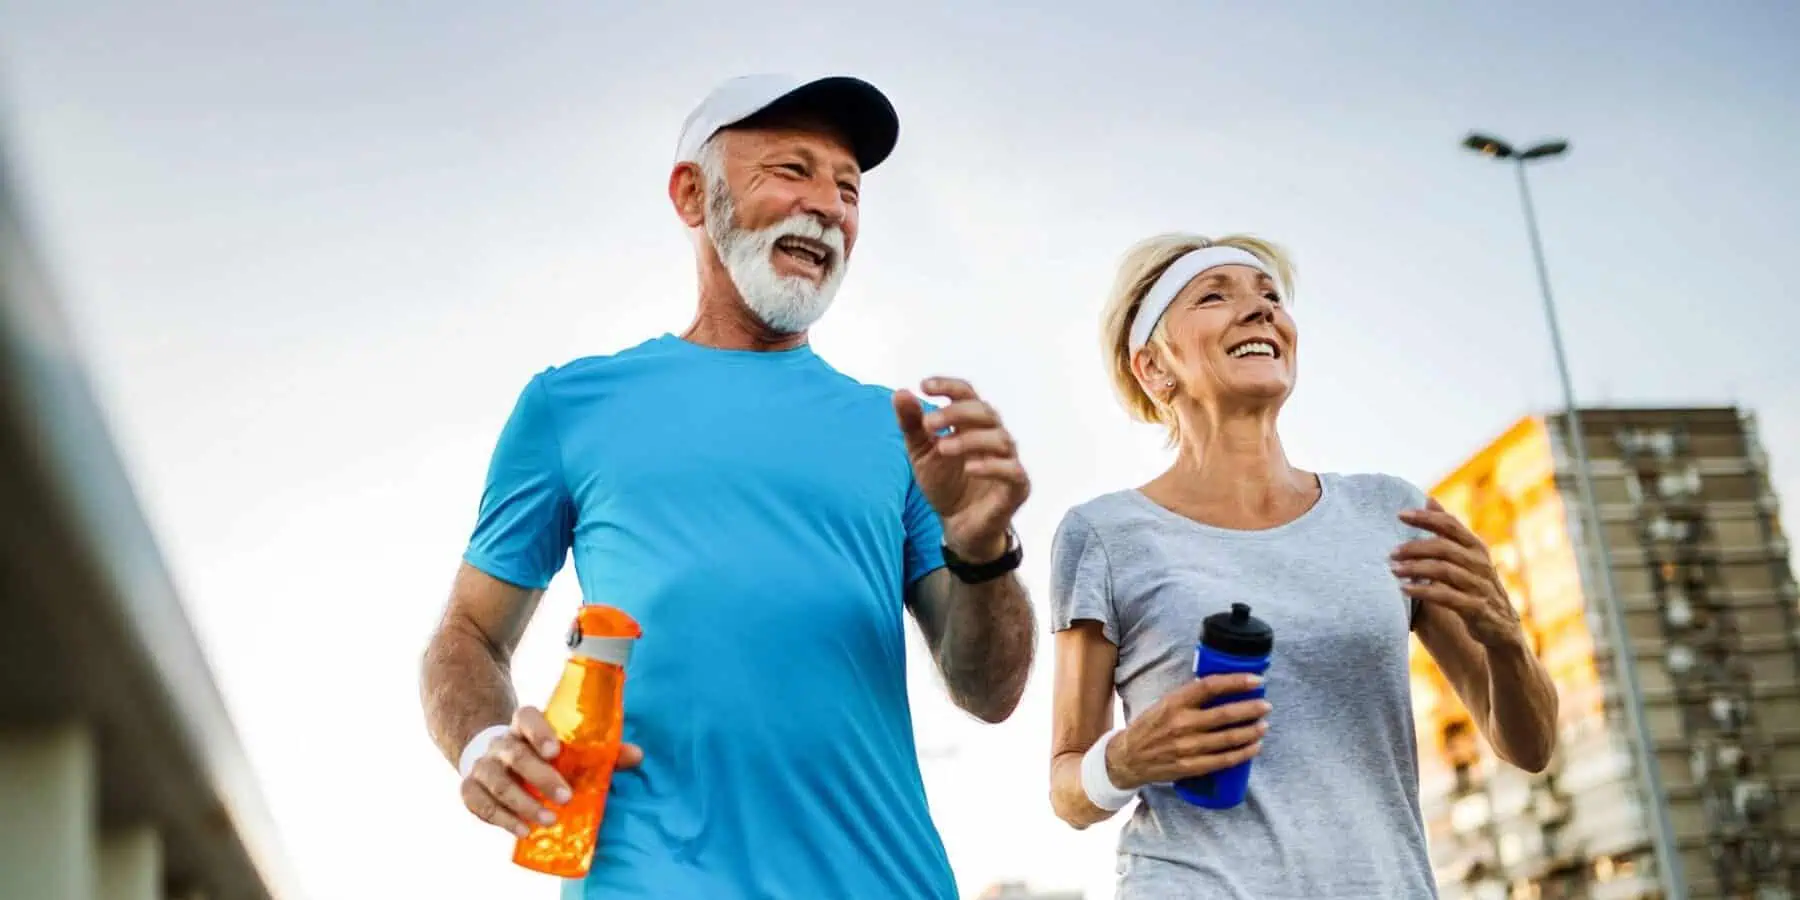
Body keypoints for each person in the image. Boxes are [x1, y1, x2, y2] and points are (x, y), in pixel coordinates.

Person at [420, 74, 1037, 899]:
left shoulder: (906, 435)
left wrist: (982, 547)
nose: (828, 205)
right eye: (794, 170)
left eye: (848, 188)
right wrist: (482, 743)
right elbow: (467, 631)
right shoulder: (570, 406)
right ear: (691, 195)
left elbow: (990, 692)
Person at [1045, 233, 1561, 898]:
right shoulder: (1105, 535)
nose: (1261, 311)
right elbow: (1066, 789)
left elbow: (1532, 748)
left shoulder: (1390, 514)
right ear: (1152, 367)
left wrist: (1507, 639)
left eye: (1270, 297)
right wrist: (1124, 759)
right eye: (1213, 295)